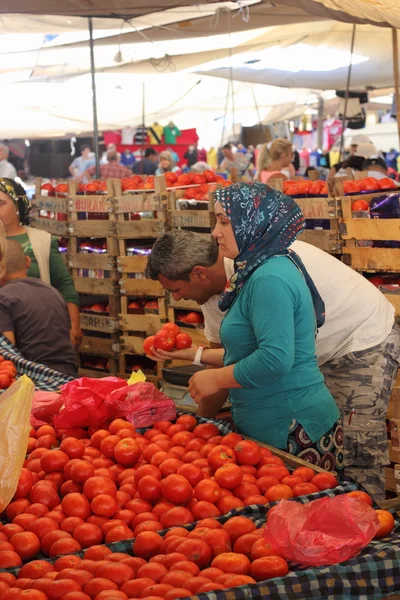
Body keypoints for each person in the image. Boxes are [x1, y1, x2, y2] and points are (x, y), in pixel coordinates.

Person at [146, 227, 399, 498]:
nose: (177, 298)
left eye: (175, 289)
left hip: (359, 340)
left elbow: (273, 358)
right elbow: (229, 361)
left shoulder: (268, 271)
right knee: (324, 440)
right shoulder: (213, 294)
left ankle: (371, 520)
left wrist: (210, 393)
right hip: (307, 357)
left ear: (199, 273)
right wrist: (196, 428)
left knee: (355, 445)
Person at [147, 183, 343, 470]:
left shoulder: (269, 278)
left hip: (292, 427)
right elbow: (250, 351)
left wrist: (215, 379)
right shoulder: (256, 271)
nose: (215, 232)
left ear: (255, 223)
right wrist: (193, 356)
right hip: (275, 422)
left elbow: (274, 359)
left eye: (224, 222)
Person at [0, 178, 82, 348]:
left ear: (18, 207)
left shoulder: (42, 240)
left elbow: (64, 284)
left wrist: (74, 326)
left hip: (39, 332)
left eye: (1, 203)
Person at [0, 240, 78, 377]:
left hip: (34, 379)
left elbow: (6, 354)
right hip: (68, 376)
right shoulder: (53, 292)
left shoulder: (3, 298)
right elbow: (70, 339)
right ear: (28, 262)